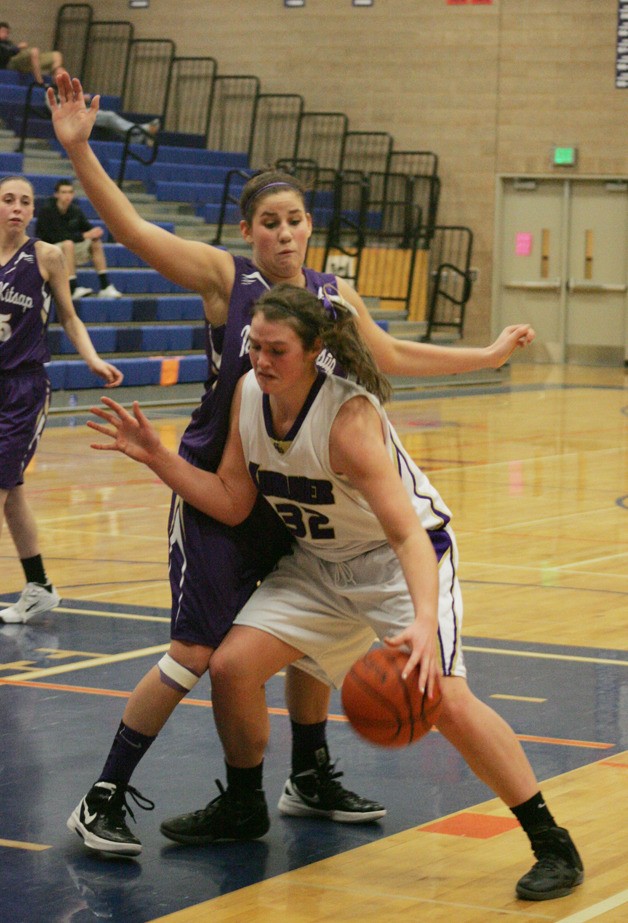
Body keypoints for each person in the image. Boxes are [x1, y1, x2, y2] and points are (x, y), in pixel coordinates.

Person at [49, 70, 536, 858]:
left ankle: (307, 773)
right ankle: (108, 791)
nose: (283, 234)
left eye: (296, 221)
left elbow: (389, 357)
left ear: (310, 228)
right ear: (248, 231)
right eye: (269, 222)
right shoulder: (225, 279)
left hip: (290, 492)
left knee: (311, 629)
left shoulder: (332, 297)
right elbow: (134, 231)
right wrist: (79, 151)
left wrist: (483, 353)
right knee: (203, 651)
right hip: (218, 484)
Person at [88, 284, 583, 903]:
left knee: (446, 700)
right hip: (320, 566)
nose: (261, 361)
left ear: (315, 350)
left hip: (400, 566)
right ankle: (244, 805)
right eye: (254, 346)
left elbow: (407, 535)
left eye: (276, 350)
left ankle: (551, 841)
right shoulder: (248, 395)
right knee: (233, 666)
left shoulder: (348, 421)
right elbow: (235, 503)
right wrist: (158, 457)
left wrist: (425, 626)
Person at [0, 175, 123, 625]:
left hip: (23, 389)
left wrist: (91, 359)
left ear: (34, 211)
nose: (16, 207)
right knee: (11, 493)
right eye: (8, 199)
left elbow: (69, 317)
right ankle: (40, 587)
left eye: (25, 201)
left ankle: (39, 587)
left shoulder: (47, 256)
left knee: (1, 486)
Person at [35, 180, 123, 299]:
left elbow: (88, 228)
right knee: (68, 244)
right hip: (47, 253)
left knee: (95, 242)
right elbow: (54, 237)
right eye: (64, 192)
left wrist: (95, 233)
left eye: (70, 192)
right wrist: (83, 236)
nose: (67, 195)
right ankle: (72, 288)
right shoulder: (47, 210)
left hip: (67, 251)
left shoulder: (75, 210)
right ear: (56, 194)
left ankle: (105, 286)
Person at [45, 89, 161, 144]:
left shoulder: (67, 89)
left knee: (110, 123)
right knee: (109, 117)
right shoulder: (50, 92)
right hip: (72, 117)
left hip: (81, 112)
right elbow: (57, 109)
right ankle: (143, 129)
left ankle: (137, 138)